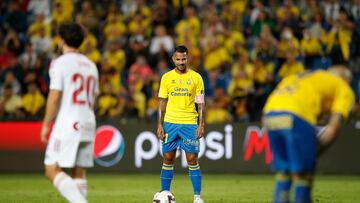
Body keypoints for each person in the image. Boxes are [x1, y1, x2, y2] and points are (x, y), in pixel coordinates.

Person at [262, 65, 355, 203]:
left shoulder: (300, 76)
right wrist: (315, 150)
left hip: (269, 115)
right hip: (295, 115)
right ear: (346, 79)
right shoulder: (342, 86)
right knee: (304, 174)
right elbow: (333, 127)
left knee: (284, 171)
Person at [40, 22, 99, 203]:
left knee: (51, 168)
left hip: (68, 122)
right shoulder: (91, 65)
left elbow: (55, 96)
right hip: (88, 121)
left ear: (61, 39)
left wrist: (46, 124)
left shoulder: (59, 63)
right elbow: (94, 99)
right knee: (79, 171)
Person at [157, 45, 205, 203]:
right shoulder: (166, 78)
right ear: (173, 59)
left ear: (188, 58)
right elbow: (162, 102)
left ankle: (197, 197)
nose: (181, 62)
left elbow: (200, 103)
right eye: (178, 59)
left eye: (183, 58)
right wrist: (160, 124)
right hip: (170, 122)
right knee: (168, 159)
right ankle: (165, 195)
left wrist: (201, 124)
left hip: (189, 123)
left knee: (192, 159)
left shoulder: (196, 78)